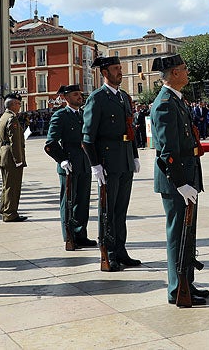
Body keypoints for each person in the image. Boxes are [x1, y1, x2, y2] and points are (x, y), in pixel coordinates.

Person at [150, 54, 207, 307]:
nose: (187, 72)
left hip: (186, 177)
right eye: (184, 69)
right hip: (177, 181)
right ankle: (176, 287)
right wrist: (180, 182)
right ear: (173, 73)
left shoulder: (176, 100)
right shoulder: (164, 104)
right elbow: (167, 150)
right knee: (177, 234)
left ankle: (187, 281)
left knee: (188, 233)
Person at [83, 55, 140, 271]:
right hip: (107, 162)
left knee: (121, 209)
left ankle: (121, 250)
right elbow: (87, 137)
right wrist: (95, 165)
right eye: (116, 69)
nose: (120, 72)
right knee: (108, 210)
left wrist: (134, 155)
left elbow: (129, 129)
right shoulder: (97, 98)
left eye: (120, 68)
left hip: (124, 160)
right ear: (104, 73)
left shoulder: (124, 97)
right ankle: (108, 253)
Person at [45, 84, 97, 250]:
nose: (79, 97)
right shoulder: (60, 116)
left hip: (84, 163)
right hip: (69, 163)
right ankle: (69, 236)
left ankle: (81, 234)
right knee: (68, 202)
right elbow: (50, 143)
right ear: (66, 98)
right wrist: (62, 160)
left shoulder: (83, 114)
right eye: (75, 95)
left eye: (80, 94)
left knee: (83, 201)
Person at [0, 94, 27, 222]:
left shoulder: (4, 116)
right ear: (13, 104)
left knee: (7, 185)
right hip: (11, 156)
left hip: (4, 154)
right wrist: (18, 160)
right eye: (18, 104)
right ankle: (10, 213)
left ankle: (5, 209)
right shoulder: (12, 118)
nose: (19, 106)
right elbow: (14, 141)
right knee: (13, 186)